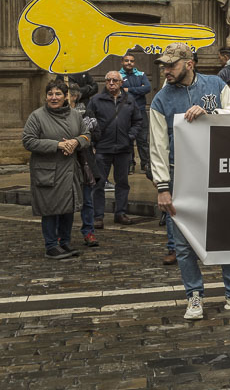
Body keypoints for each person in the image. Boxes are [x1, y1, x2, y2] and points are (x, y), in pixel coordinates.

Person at [149, 42, 230, 320]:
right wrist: (163, 187)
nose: (166, 71)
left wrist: (210, 114)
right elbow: (158, 146)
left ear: (189, 64)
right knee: (183, 242)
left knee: (227, 233)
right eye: (164, 66)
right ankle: (194, 295)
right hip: (180, 175)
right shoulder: (160, 100)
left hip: (218, 171)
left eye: (172, 65)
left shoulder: (215, 84)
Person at [23, 80, 91, 259]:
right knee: (50, 209)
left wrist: (76, 142)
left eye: (58, 94)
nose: (54, 97)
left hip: (70, 170)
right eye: (50, 94)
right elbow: (28, 141)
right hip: (48, 172)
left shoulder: (75, 115)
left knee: (68, 208)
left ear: (65, 96)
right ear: (46, 96)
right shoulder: (37, 116)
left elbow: (86, 135)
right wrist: (58, 145)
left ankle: (65, 242)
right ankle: (51, 245)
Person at [88, 70, 144, 227]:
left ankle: (120, 213)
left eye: (114, 80)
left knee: (122, 183)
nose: (111, 83)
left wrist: (130, 136)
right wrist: (93, 141)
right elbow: (88, 122)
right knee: (98, 184)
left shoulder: (129, 100)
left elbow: (138, 121)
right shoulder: (96, 100)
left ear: (121, 83)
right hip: (102, 148)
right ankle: (98, 216)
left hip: (123, 149)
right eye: (108, 80)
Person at [67, 84, 100, 247]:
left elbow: (96, 134)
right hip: (66, 162)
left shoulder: (86, 113)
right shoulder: (58, 114)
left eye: (65, 95)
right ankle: (62, 235)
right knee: (65, 201)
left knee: (87, 200)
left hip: (84, 161)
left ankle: (88, 232)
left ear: (74, 97)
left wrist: (79, 139)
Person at [119, 52, 152, 176]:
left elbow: (147, 88)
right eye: (126, 60)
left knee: (142, 139)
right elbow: (120, 91)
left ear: (134, 63)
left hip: (141, 111)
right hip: (125, 112)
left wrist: (129, 90)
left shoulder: (141, 74)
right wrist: (139, 90)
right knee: (128, 139)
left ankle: (145, 164)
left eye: (131, 61)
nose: (129, 63)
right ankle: (130, 164)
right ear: (122, 62)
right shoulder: (118, 75)